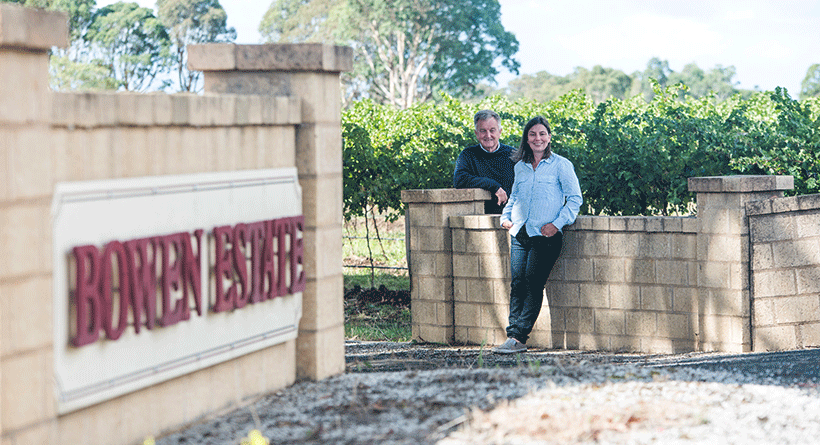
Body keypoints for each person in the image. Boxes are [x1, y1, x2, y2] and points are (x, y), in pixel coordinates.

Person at [494, 116, 583, 354]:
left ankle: (518, 337)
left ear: (549, 138)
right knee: (518, 284)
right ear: (526, 139)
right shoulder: (519, 167)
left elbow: (575, 199)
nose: (538, 138)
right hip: (520, 233)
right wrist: (506, 218)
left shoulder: (561, 165)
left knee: (533, 283)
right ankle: (513, 335)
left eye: (542, 134)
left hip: (546, 237)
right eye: (532, 134)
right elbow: (514, 197)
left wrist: (557, 224)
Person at [453, 110, 516, 214]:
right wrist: (493, 186)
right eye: (483, 131)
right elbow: (459, 180)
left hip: (511, 218)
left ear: (499, 132)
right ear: (476, 133)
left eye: (492, 130)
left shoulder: (513, 155)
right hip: (478, 217)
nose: (488, 135)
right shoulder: (468, 154)